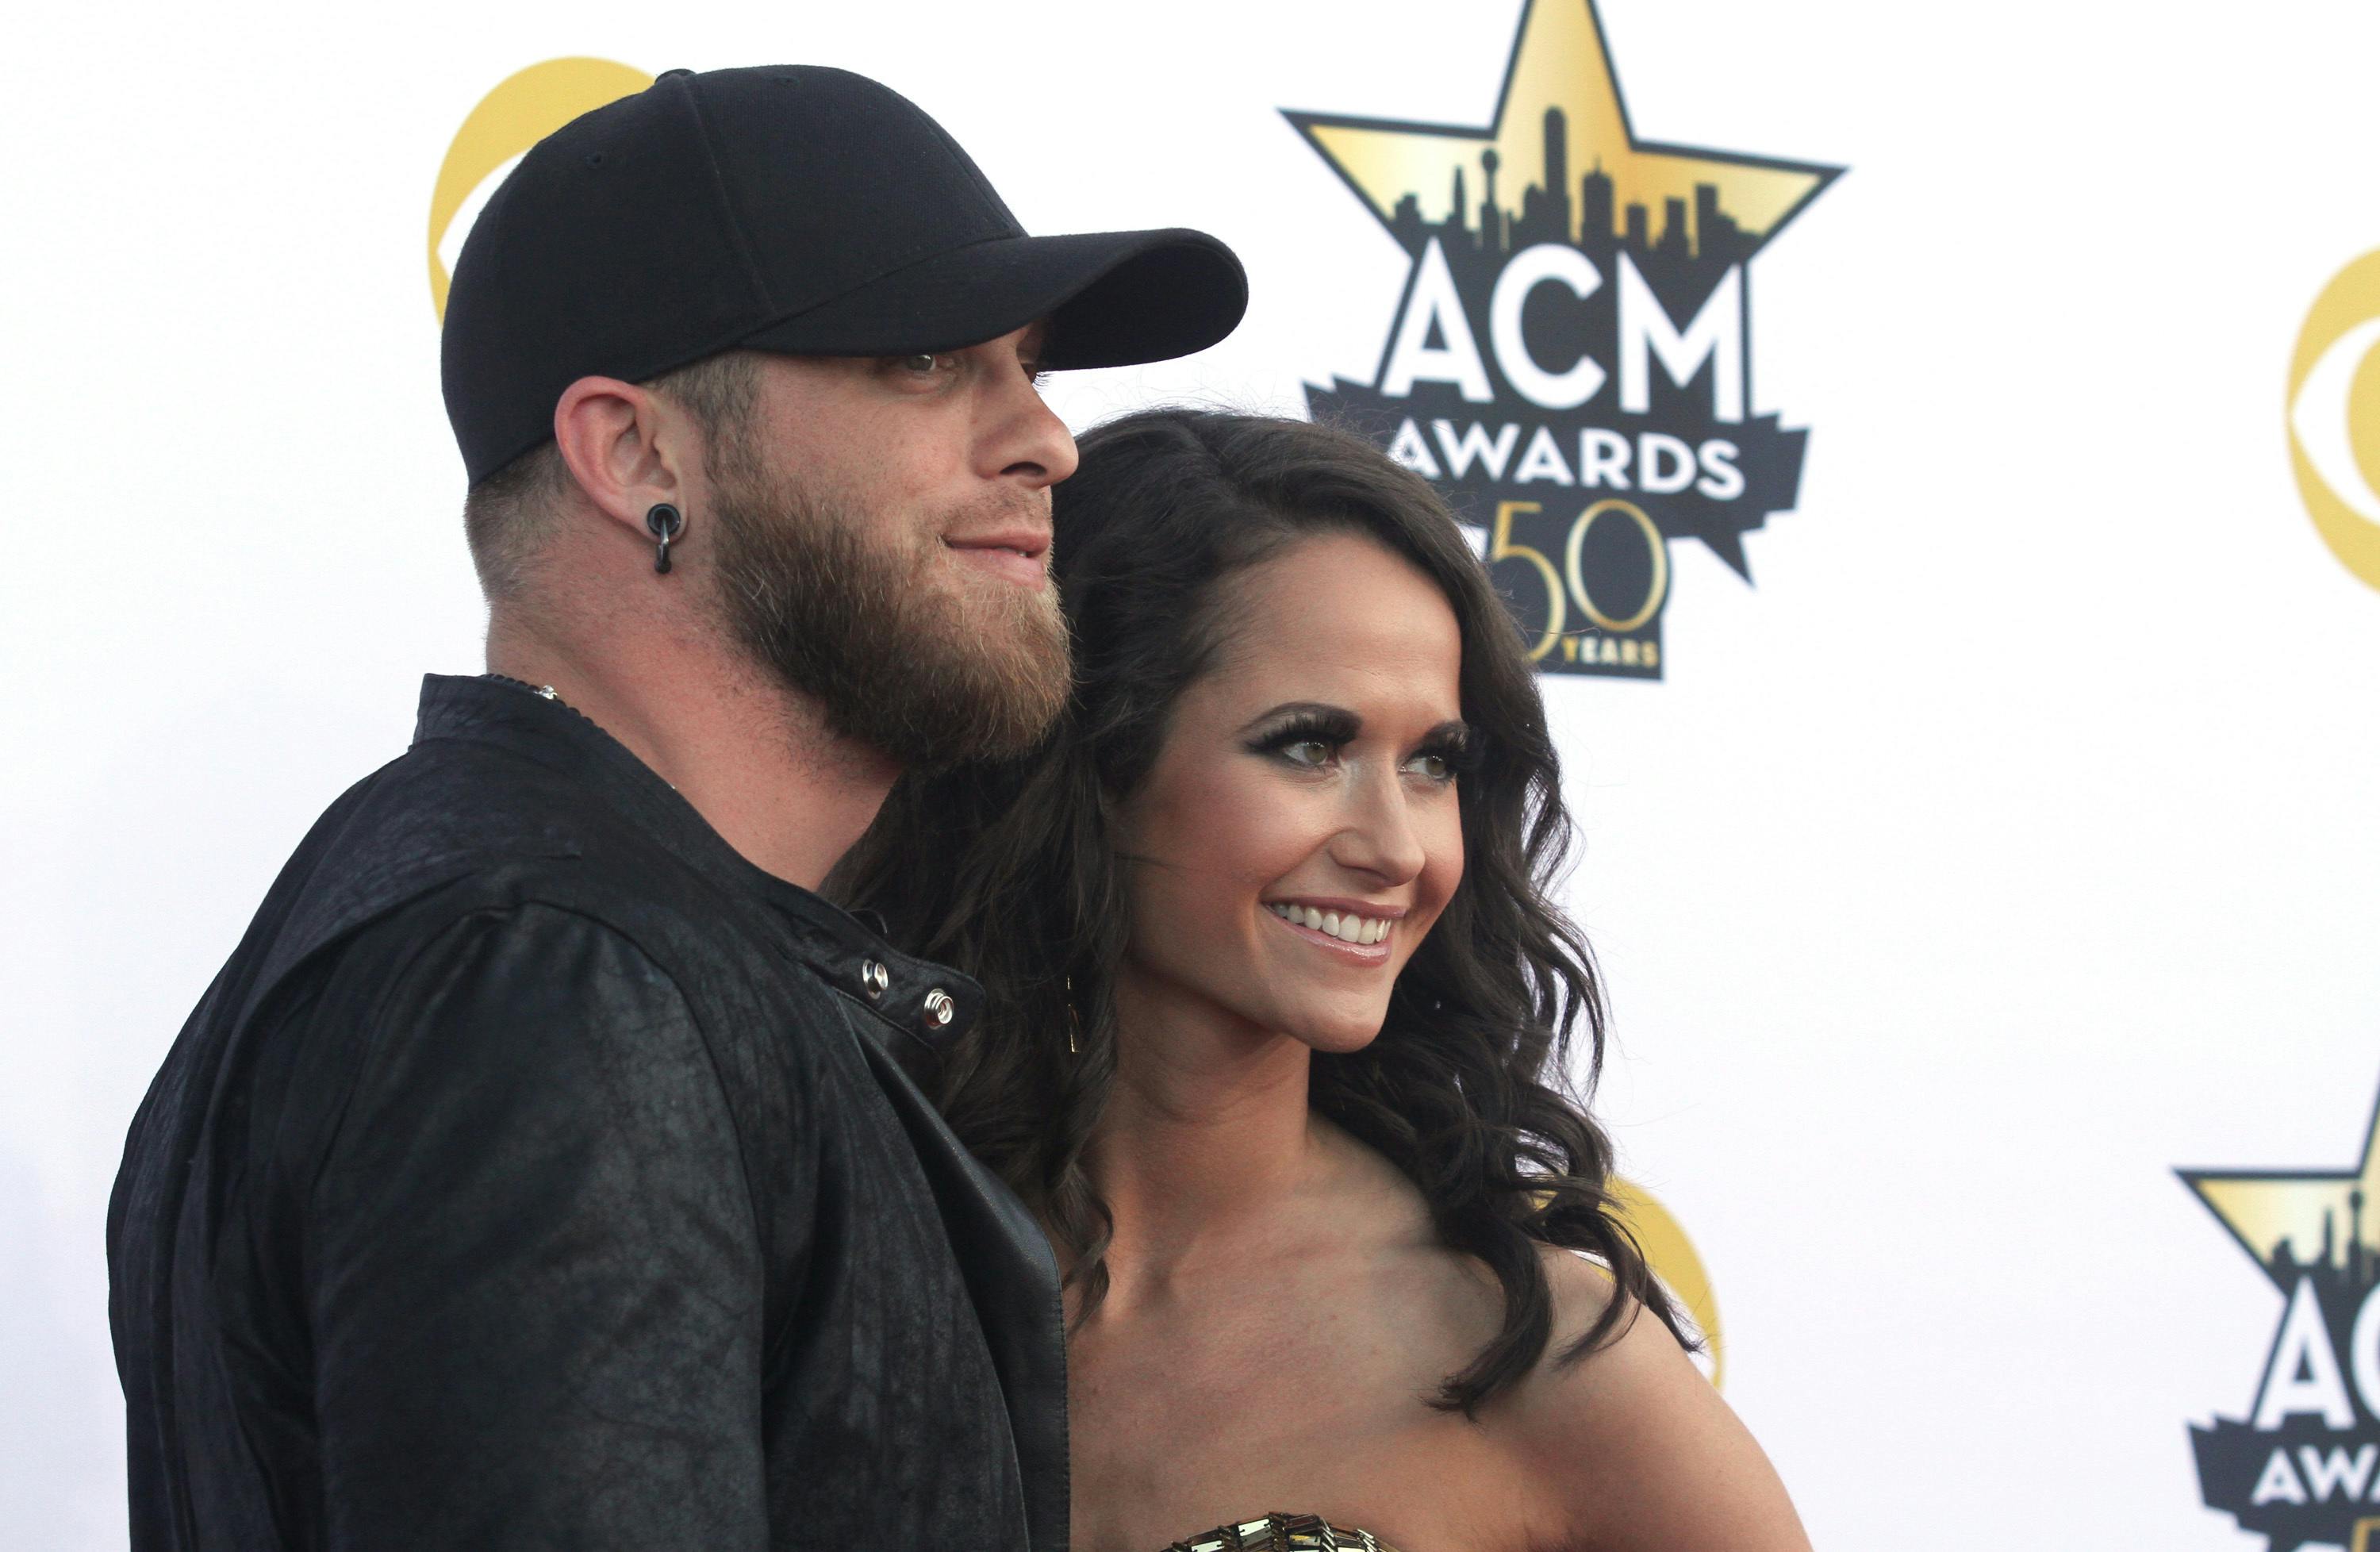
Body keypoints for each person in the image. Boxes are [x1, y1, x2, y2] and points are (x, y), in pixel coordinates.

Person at [106, 67, 1245, 1551]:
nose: (1046, 440)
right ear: (637, 454)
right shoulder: (556, 978)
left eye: (1026, 364)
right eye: (922, 358)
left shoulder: (563, 932)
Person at [835, 410, 1810, 1552]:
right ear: (1091, 764)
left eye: (1434, 763)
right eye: (1310, 746)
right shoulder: (844, 1239)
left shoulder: (1525, 1348)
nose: (1398, 846)